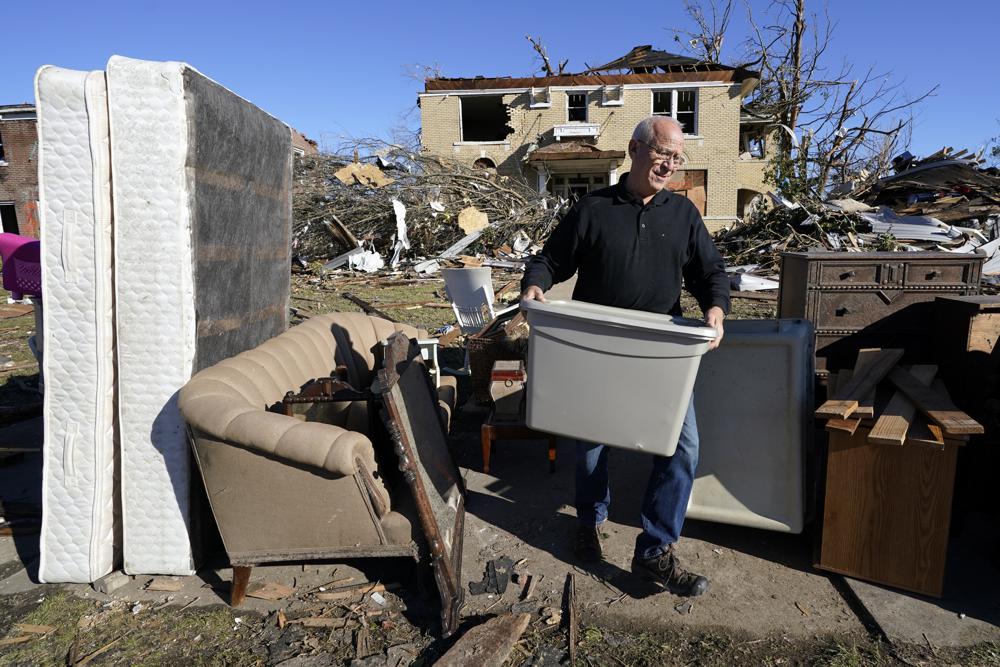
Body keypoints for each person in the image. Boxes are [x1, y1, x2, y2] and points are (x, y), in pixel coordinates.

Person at [519, 115, 729, 597]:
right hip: (599, 346)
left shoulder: (683, 215)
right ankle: (589, 522)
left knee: (682, 447)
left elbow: (710, 273)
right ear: (635, 149)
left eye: (677, 158)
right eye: (662, 153)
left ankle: (655, 550)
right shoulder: (593, 208)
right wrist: (535, 284)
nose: (670, 165)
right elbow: (552, 259)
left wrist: (716, 309)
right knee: (592, 444)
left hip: (661, 352)